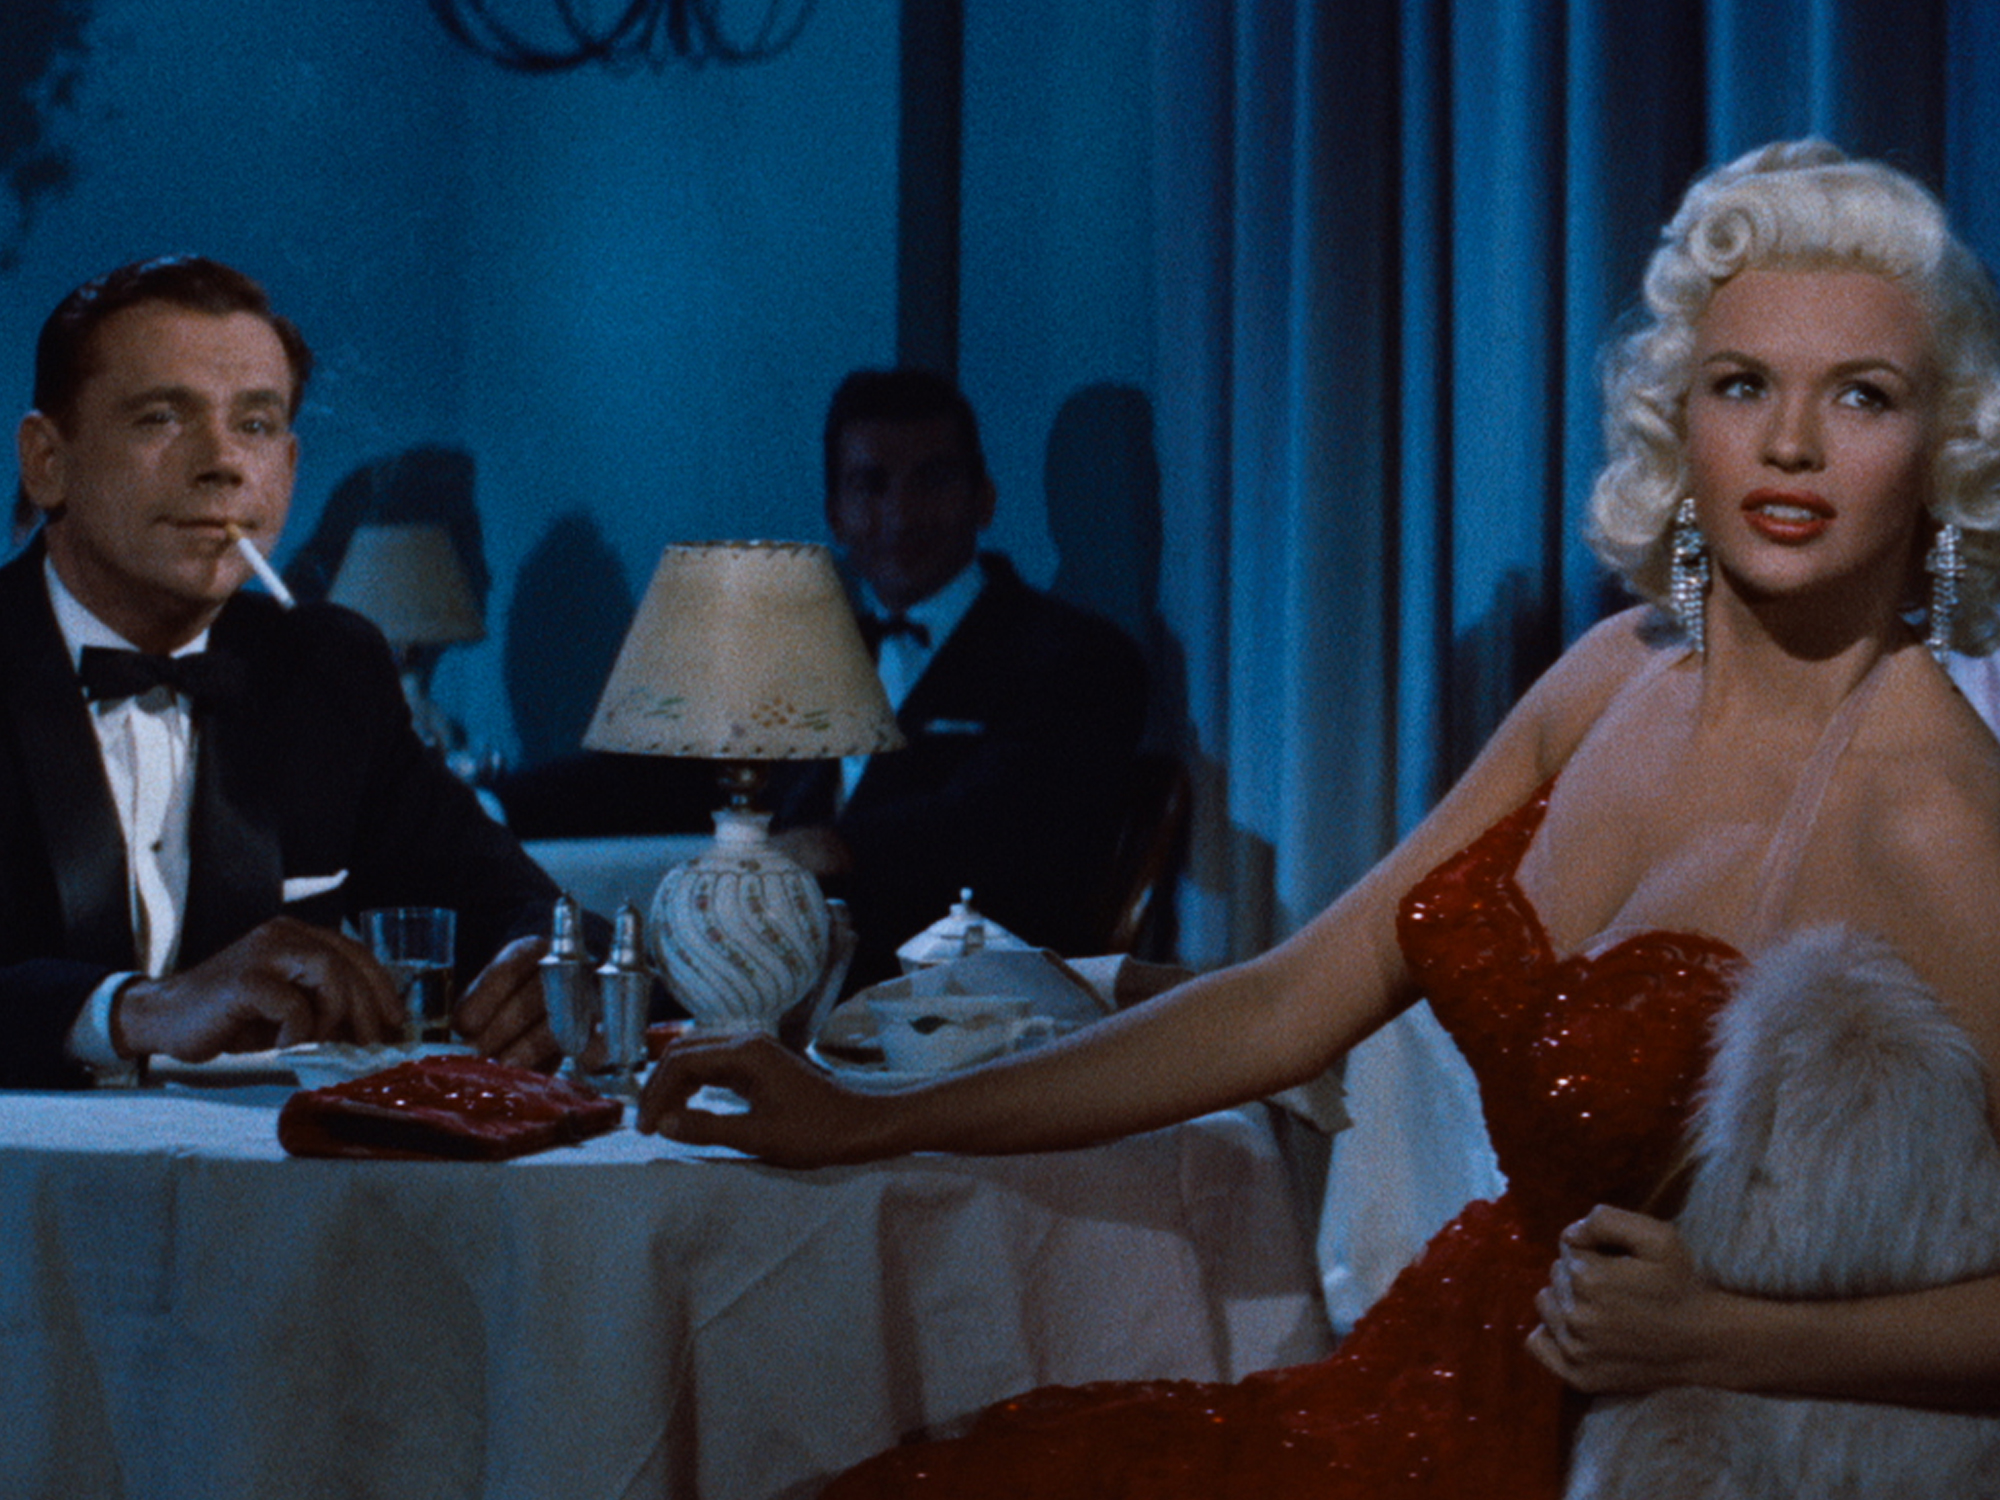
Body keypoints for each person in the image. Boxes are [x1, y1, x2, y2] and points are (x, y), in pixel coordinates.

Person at [636, 140, 2000, 1494]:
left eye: (1862, 396)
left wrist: (1730, 1338)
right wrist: (867, 1115)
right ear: (1677, 418)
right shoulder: (1613, 675)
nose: (1790, 444)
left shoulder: (1924, 804)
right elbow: (1285, 1003)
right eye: (1743, 383)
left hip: (1581, 1458)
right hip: (1412, 1387)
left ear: (1939, 452)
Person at [2, 254, 560, 1089]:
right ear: (47, 460)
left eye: (256, 425)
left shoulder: (327, 669)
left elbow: (516, 906)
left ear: (290, 469)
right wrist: (134, 1010)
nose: (222, 463)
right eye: (161, 417)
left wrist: (546, 964)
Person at [768, 368, 1148, 985]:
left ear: (984, 498)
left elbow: (1002, 823)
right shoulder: (815, 659)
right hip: (791, 996)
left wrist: (838, 847)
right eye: (871, 484)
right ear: (834, 514)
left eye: (932, 479)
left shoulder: (1079, 658)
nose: (901, 514)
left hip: (978, 1011)